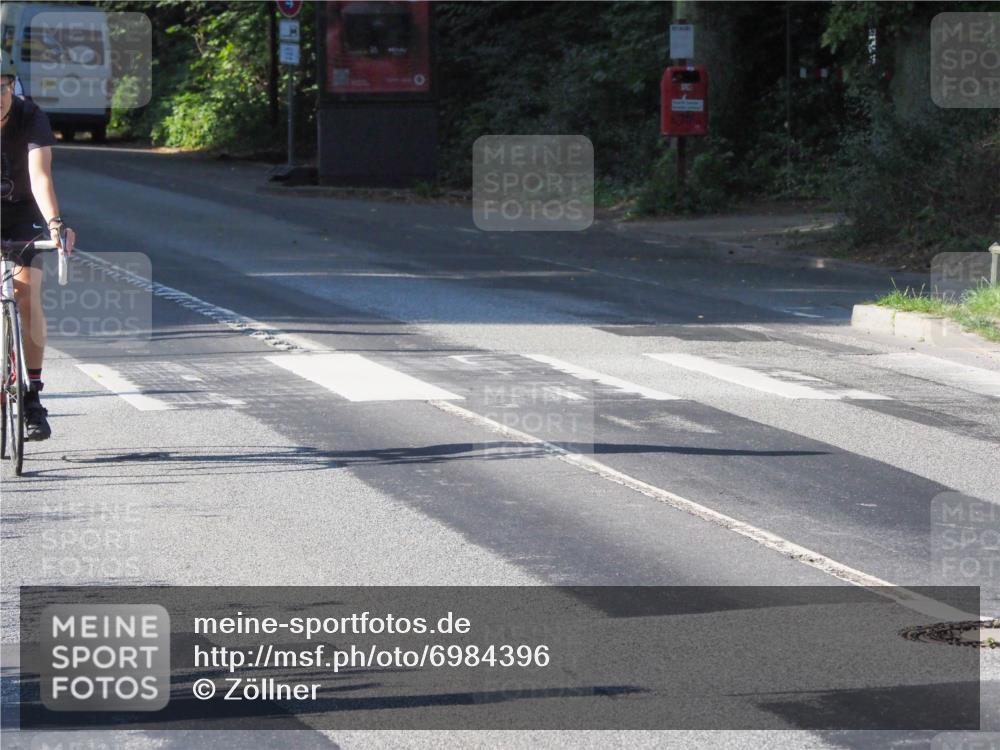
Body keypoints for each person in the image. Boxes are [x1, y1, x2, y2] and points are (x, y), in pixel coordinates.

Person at [1, 51, 76, 441]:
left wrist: (55, 223)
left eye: (0, 86)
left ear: (11, 86)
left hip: (22, 210)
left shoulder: (30, 117)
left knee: (27, 294)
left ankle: (32, 398)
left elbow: (39, 176)